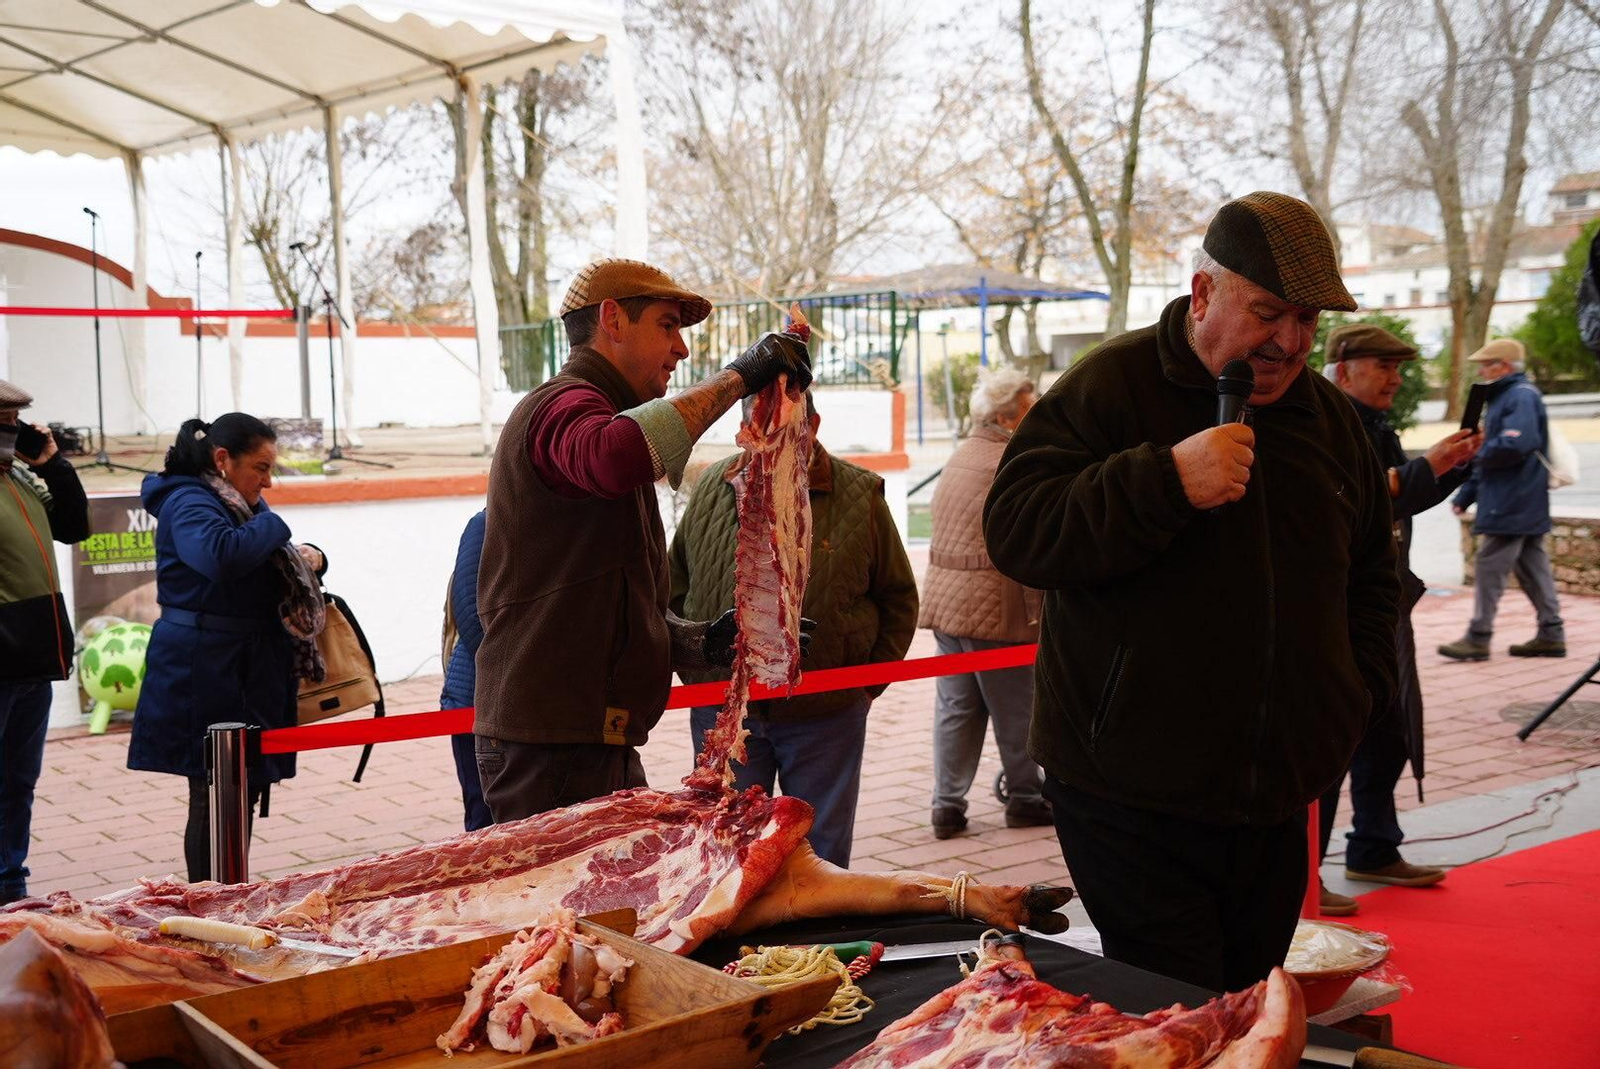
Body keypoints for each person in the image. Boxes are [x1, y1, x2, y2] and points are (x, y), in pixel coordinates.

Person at [984, 191, 1400, 993]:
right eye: (1268, 313)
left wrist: (1357, 695)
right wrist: (1165, 480)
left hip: (1278, 797)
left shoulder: (1330, 421)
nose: (1289, 341)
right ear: (1203, 293)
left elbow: (1371, 576)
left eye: (1308, 320)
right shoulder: (1110, 385)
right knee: (1180, 1011)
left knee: (1250, 1003)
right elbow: (1018, 530)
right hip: (1128, 795)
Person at [474, 259, 812, 822]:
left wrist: (701, 640)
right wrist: (740, 376)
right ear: (612, 320)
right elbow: (615, 456)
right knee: (574, 887)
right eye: (667, 325)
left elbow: (607, 600)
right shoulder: (560, 405)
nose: (681, 348)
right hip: (551, 744)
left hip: (586, 740)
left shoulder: (600, 413)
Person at [669, 391, 918, 867]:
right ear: (743, 431)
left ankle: (821, 923)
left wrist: (865, 685)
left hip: (825, 714)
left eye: (788, 429)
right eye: (761, 430)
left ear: (813, 425)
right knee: (730, 853)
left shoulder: (860, 493)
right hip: (724, 711)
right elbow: (674, 587)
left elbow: (898, 598)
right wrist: (697, 671)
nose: (773, 442)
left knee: (821, 853)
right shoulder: (709, 488)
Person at [1317, 325, 1481, 914]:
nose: (1396, 377)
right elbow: (1364, 501)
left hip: (1381, 600)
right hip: (1338, 607)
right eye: (1384, 365)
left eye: (1398, 366)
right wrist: (1427, 466)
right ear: (1345, 370)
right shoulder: (1325, 425)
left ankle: (1375, 847)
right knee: (1330, 740)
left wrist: (1449, 466)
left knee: (1388, 731)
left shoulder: (1373, 427)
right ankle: (1303, 873)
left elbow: (1398, 497)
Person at [130, 414, 327, 882]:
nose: (268, 481)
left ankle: (231, 891)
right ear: (223, 459)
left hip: (243, 664)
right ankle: (211, 901)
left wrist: (313, 559)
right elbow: (219, 556)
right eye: (261, 467)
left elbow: (258, 564)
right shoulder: (188, 500)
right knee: (214, 790)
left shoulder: (232, 499)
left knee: (242, 788)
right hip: (204, 669)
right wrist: (274, 526)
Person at [920, 366, 1049, 839]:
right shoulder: (1009, 461)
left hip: (950, 606)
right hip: (995, 608)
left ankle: (947, 805)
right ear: (1007, 417)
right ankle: (1026, 797)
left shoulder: (963, 454)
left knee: (957, 710)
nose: (1038, 415)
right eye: (1030, 408)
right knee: (1019, 710)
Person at [0, 381, 89, 903]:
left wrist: (53, 464)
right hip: (6, 657)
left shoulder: (18, 478)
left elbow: (74, 527)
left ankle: (11, 885)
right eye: (4, 420)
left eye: (17, 421)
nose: (13, 431)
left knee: (17, 782)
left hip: (33, 657)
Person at [1439, 339, 1565, 660]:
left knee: (1489, 566)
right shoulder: (1508, 396)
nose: (1481, 371)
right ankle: (1552, 633)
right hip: (1519, 497)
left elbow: (1515, 444)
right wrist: (1466, 494)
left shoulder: (1519, 396)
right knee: (1532, 567)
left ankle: (1478, 637)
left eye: (1486, 365)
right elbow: (1494, 453)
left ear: (1504, 366)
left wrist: (1474, 451)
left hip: (1510, 499)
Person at [440, 509, 491, 832]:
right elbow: (469, 613)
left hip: (527, 698)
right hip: (477, 694)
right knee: (484, 816)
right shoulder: (484, 524)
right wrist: (517, 671)